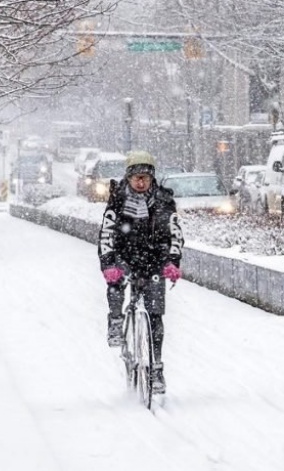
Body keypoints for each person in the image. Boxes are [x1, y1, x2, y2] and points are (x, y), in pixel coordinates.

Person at [98, 150, 184, 394]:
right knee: (115, 281)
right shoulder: (116, 200)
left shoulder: (164, 200)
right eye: (136, 176)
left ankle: (156, 368)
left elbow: (175, 235)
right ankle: (116, 320)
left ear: (152, 177)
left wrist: (172, 262)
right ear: (128, 177)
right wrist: (109, 265)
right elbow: (106, 234)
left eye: (145, 176)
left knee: (155, 315)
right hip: (124, 257)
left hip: (154, 261)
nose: (141, 181)